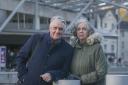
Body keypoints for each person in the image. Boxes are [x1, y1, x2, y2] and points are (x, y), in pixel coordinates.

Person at [16, 16, 74, 85]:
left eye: (60, 29)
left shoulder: (68, 49)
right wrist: (23, 76)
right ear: (49, 28)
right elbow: (20, 57)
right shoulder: (36, 39)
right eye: (55, 28)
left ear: (64, 31)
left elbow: (65, 71)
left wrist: (52, 75)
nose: (57, 31)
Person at [69, 18, 107, 85]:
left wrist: (81, 79)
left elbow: (102, 71)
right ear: (76, 32)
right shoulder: (73, 48)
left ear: (89, 32)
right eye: (78, 29)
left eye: (84, 29)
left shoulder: (97, 47)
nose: (81, 31)